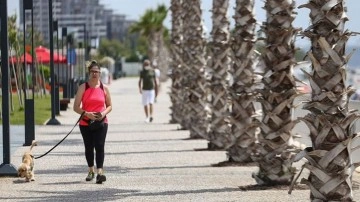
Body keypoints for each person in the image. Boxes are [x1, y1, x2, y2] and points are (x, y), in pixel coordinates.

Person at [73, 60, 112, 184]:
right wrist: (86, 114)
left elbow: (110, 106)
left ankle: (100, 172)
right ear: (89, 73)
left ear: (100, 73)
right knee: (89, 147)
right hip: (85, 123)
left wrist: (103, 113)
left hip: (101, 122)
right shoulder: (83, 87)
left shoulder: (104, 88)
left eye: (97, 72)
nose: (95, 74)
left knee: (100, 146)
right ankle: (91, 170)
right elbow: (75, 107)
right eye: (92, 72)